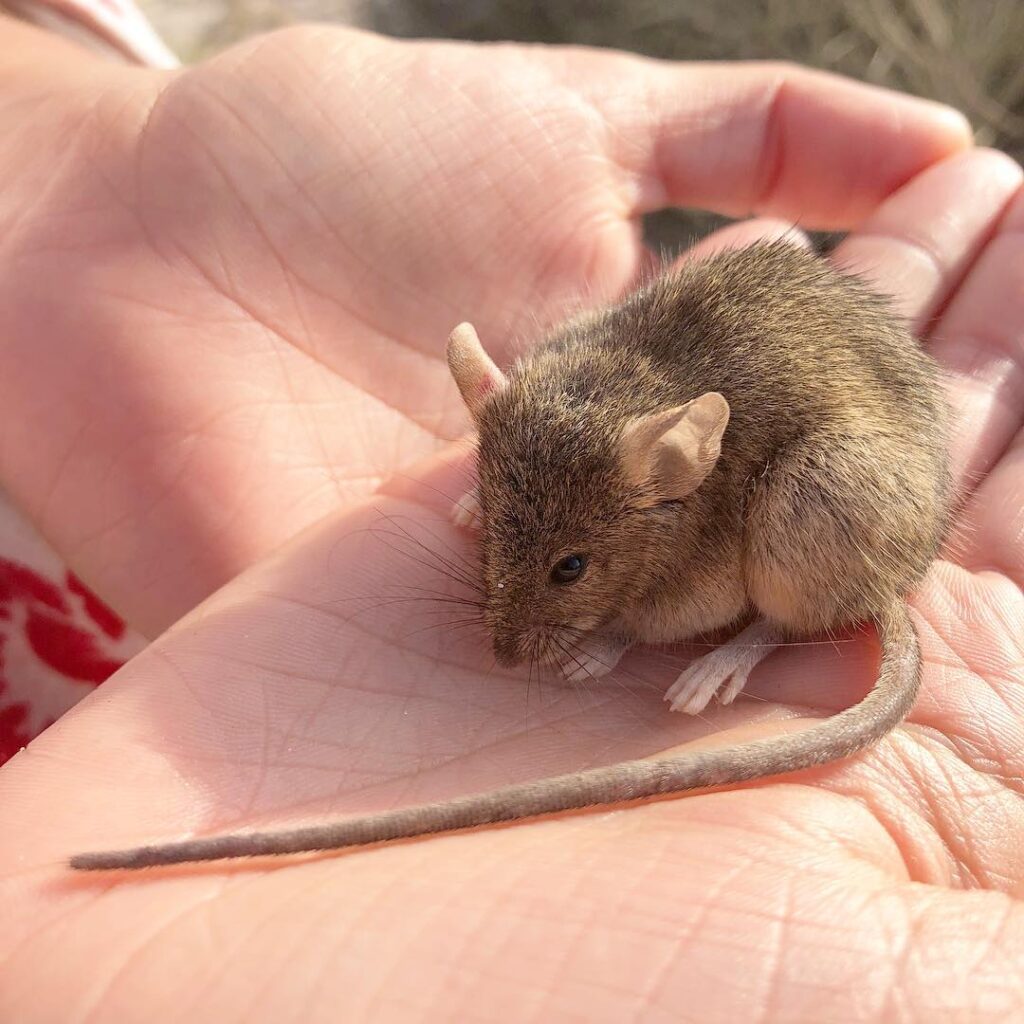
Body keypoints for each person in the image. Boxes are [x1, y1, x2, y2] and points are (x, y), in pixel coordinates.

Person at [0, 10, 1022, 1022]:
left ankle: (764, 635)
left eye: (566, 570)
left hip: (840, 477)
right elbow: (544, 399)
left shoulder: (663, 493)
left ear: (664, 476)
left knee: (782, 548)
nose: (507, 626)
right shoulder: (544, 404)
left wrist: (634, 633)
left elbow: (688, 586)